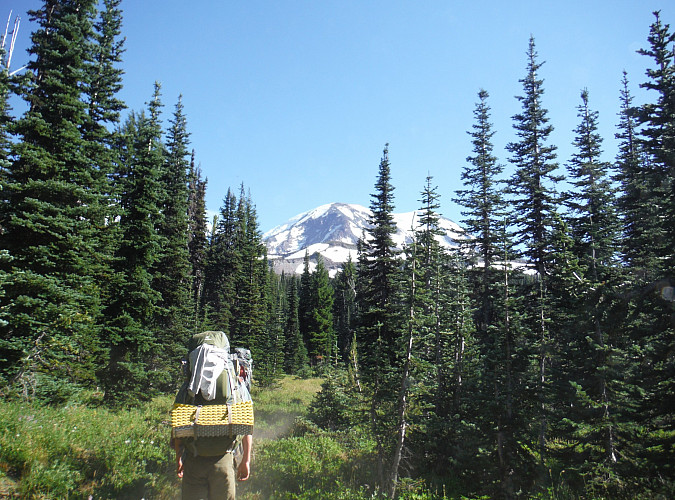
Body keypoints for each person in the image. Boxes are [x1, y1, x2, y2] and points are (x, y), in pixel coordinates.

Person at [171, 331, 253, 500]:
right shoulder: (234, 384)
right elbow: (246, 424)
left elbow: (179, 425)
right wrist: (246, 460)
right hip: (223, 459)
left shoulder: (190, 385)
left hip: (194, 459)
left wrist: (179, 457)